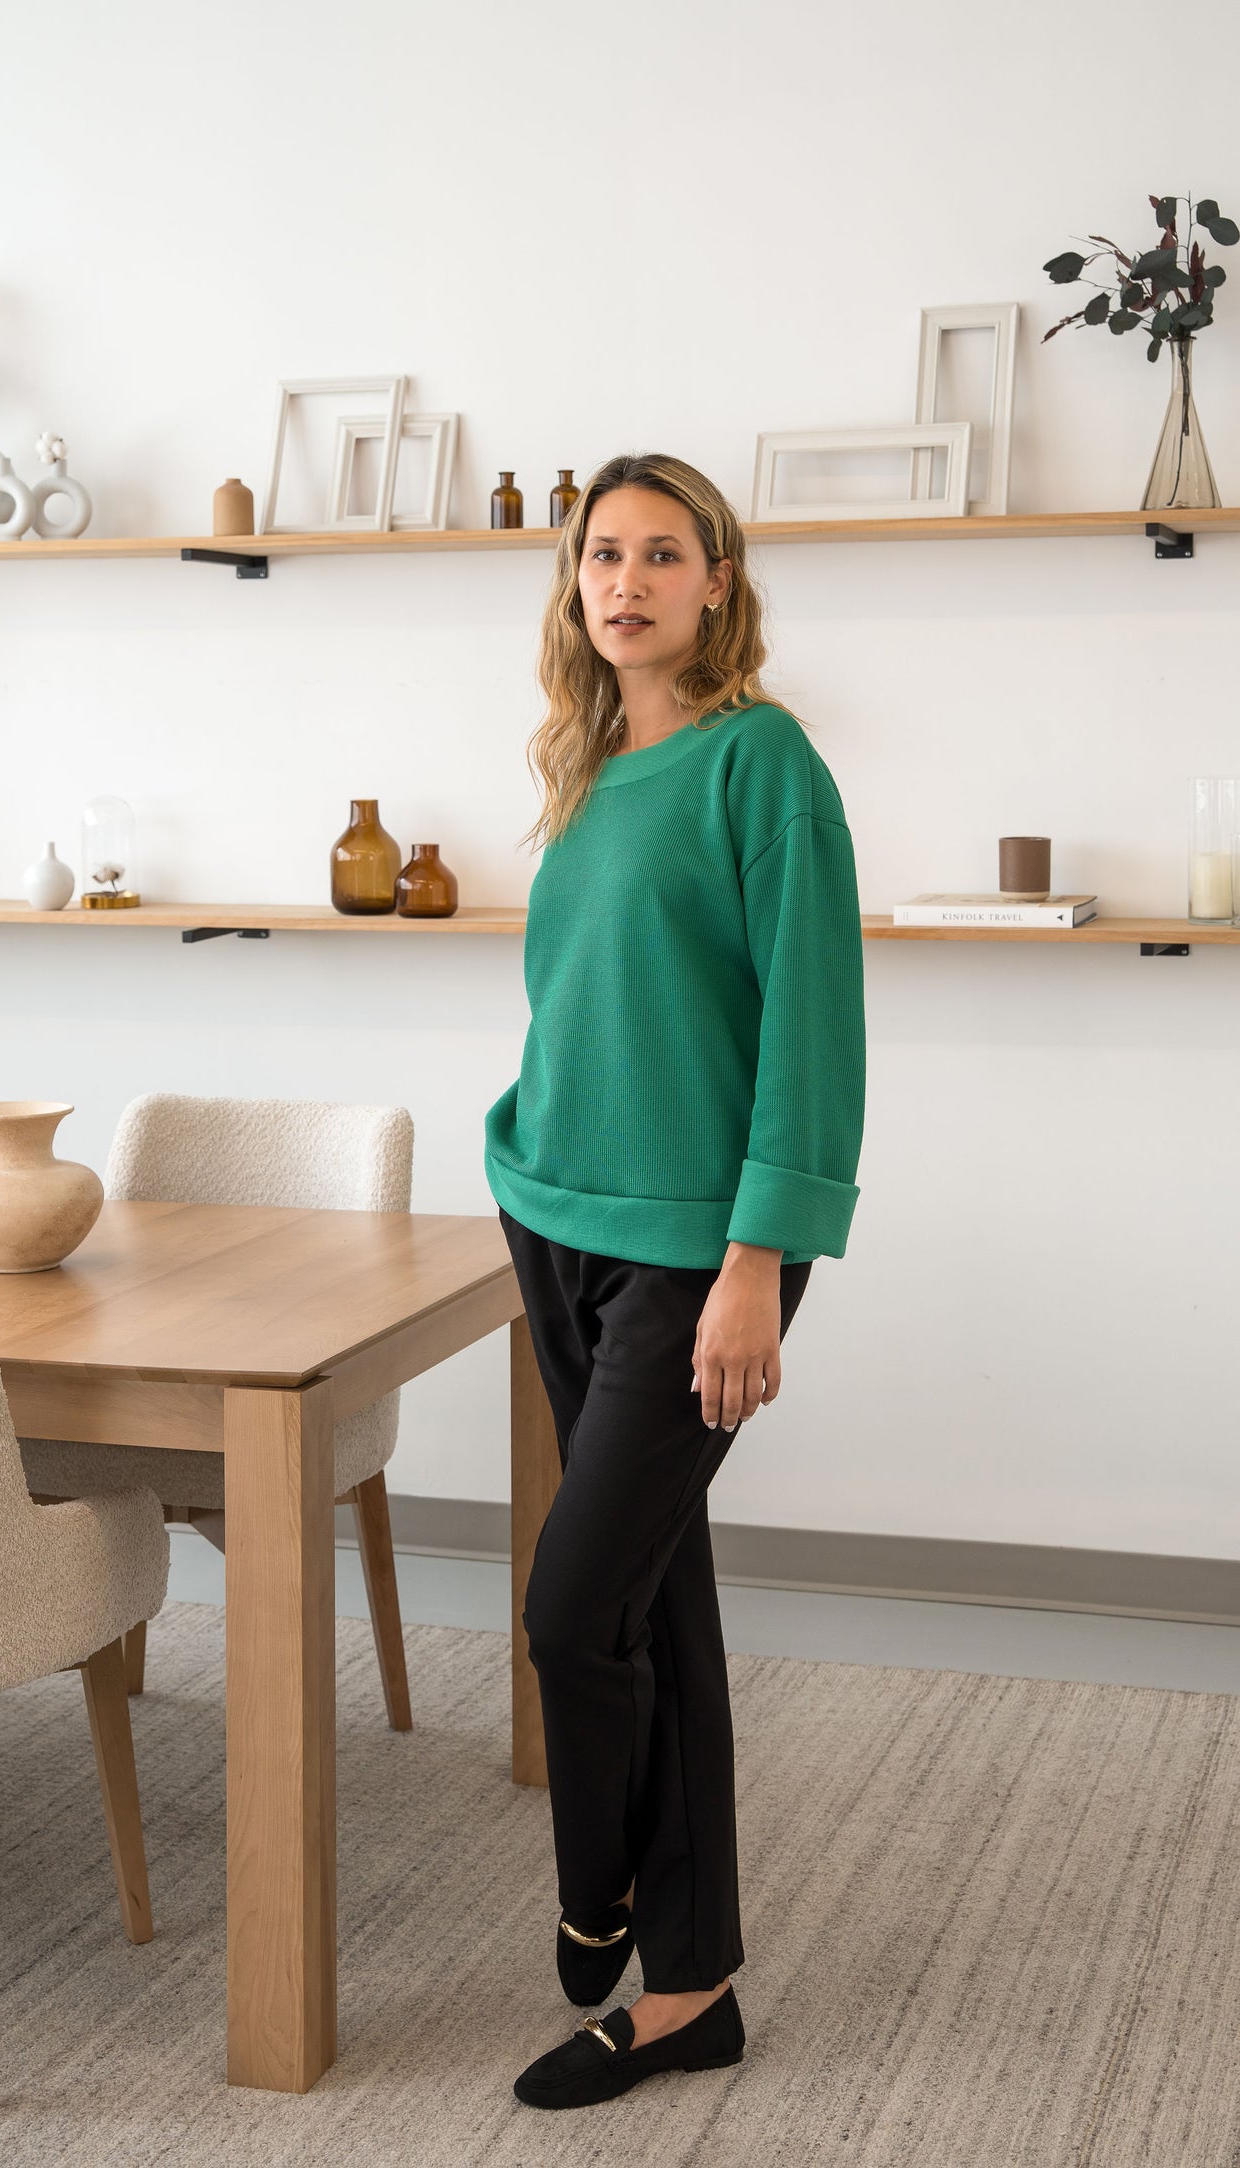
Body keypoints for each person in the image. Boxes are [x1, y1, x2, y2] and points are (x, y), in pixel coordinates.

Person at [482, 451, 866, 2110]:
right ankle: (689, 1994)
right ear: (573, 586)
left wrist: (755, 1266)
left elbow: (811, 1031)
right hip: (554, 1217)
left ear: (716, 580)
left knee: (572, 1609)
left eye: (660, 554)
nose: (624, 581)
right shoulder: (582, 766)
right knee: (645, 1596)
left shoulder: (761, 764)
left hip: (695, 1259)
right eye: (599, 556)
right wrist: (518, 1154)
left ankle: (596, 1893)